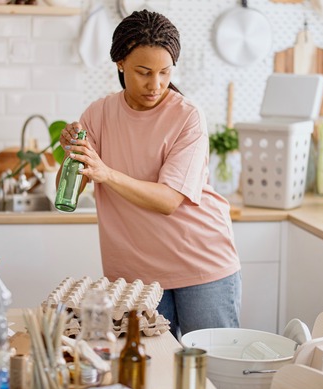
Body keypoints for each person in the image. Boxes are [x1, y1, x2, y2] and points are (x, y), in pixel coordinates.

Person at [57, 10, 241, 338]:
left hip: (200, 264)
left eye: (164, 72)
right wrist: (72, 154)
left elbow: (169, 200)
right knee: (149, 373)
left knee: (210, 372)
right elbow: (67, 191)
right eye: (143, 72)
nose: (155, 85)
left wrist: (106, 173)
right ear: (120, 64)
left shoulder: (187, 117)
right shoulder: (98, 114)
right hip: (134, 279)